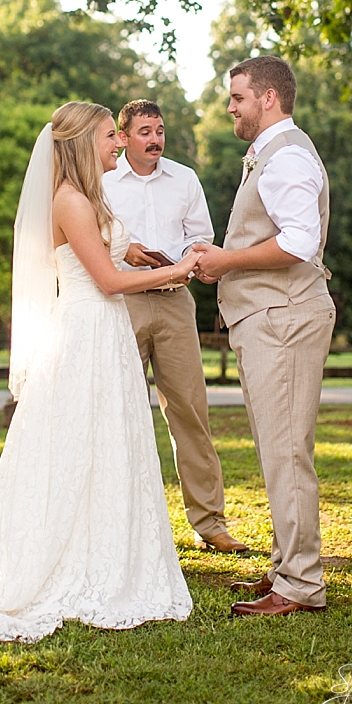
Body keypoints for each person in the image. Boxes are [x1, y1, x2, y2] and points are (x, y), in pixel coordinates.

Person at [0, 102, 195, 643]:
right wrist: (180, 269)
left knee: (105, 446)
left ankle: (102, 551)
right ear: (78, 144)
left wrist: (136, 253)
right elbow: (107, 283)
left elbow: (105, 258)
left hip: (105, 334)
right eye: (107, 136)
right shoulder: (69, 200)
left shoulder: (88, 196)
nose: (117, 144)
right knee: (72, 446)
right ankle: (61, 562)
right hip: (85, 333)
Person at [192, 57, 335, 617]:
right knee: (279, 450)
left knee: (286, 452)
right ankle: (285, 568)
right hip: (271, 320)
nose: (231, 106)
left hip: (285, 319)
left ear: (268, 98)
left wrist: (226, 261)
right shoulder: (275, 154)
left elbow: (300, 241)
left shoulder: (289, 156)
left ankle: (300, 585)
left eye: (238, 97)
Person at [103, 100, 248, 554]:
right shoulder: (102, 182)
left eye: (160, 130)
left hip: (174, 303)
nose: (155, 139)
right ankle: (115, 524)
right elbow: (87, 238)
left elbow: (200, 235)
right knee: (116, 413)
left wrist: (188, 256)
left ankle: (210, 522)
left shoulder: (184, 178)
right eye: (144, 131)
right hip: (119, 303)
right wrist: (125, 251)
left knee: (190, 411)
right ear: (123, 138)